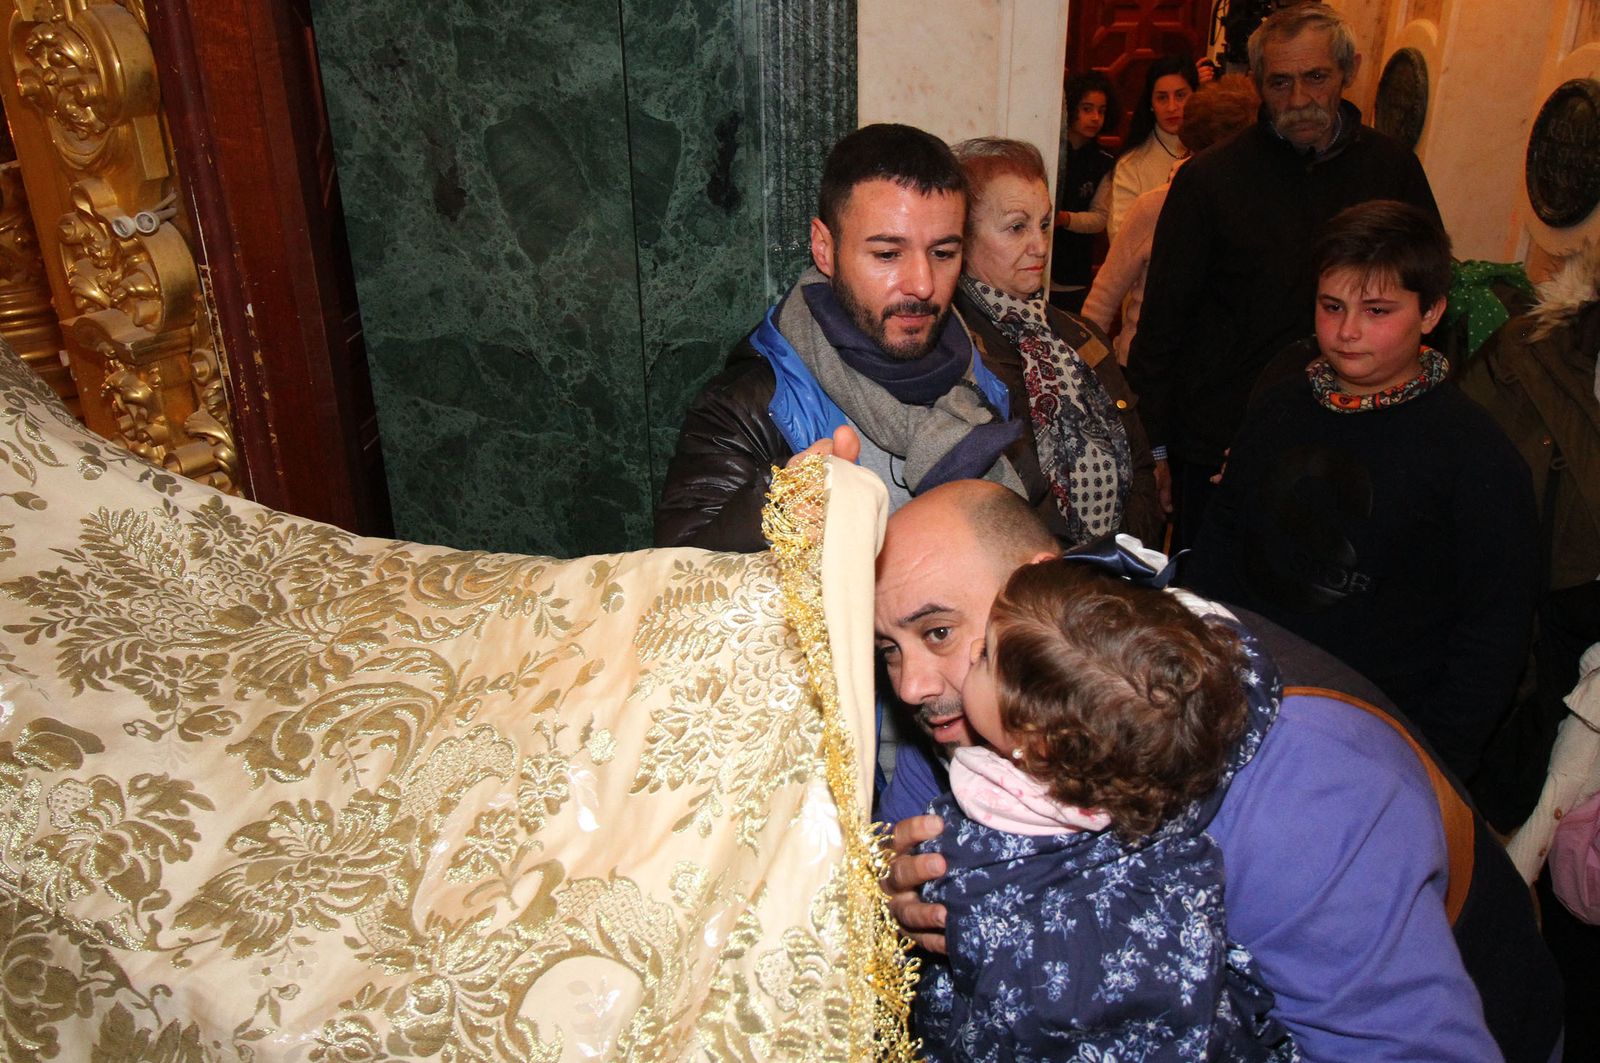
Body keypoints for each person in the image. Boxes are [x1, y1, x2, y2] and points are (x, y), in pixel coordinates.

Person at [875, 480, 1561, 1063]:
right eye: (888, 648)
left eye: (938, 631)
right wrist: (900, 897)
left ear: (1042, 586)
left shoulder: (1301, 784)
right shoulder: (971, 724)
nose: (908, 685)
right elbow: (890, 854)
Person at [1184, 200, 1538, 787]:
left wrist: (1437, 761)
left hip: (1379, 741)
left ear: (1431, 313)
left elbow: (1492, 632)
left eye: (1377, 311)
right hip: (1239, 709)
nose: (1347, 331)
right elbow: (1220, 543)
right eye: (1331, 307)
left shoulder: (1474, 453)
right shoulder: (1278, 409)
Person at [913, 558, 1291, 1061]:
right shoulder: (1196, 726)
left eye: (986, 658)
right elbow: (1242, 658)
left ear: (1037, 745)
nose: (972, 655)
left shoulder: (984, 857)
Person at [1126, 2, 1438, 546]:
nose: (1298, 101)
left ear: (1348, 71)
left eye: (1315, 78)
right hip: (1221, 443)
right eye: (1280, 83)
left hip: (1359, 440)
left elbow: (1429, 292)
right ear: (1256, 84)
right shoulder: (1209, 179)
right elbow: (1162, 326)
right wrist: (1155, 450)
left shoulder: (1392, 170)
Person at [653, 123, 1012, 550]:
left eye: (943, 254)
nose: (922, 284)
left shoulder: (982, 367)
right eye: (887, 254)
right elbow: (679, 575)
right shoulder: (745, 407)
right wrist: (778, 508)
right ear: (824, 248)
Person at [949, 137, 1162, 546]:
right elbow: (1000, 502)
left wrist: (1127, 557)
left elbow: (1139, 464)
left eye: (1044, 224)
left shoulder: (1081, 335)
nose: (1040, 246)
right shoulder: (954, 350)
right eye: (1016, 227)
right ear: (964, 235)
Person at [1082, 74, 1259, 366]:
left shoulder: (1257, 208)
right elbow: (1103, 298)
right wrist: (1084, 373)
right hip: (1146, 369)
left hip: (1223, 372)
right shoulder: (1157, 204)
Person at [1107, 56, 1196, 243]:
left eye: (1180, 95)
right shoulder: (1132, 163)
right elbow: (1121, 238)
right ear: (1151, 105)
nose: (1172, 107)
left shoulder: (1211, 151)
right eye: (1162, 98)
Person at [1050, 72, 1116, 313]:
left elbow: (1100, 218)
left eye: (1101, 110)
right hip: (1041, 262)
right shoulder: (1048, 150)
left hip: (1074, 269)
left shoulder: (1104, 162)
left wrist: (1065, 219)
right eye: (1087, 108)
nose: (1095, 118)